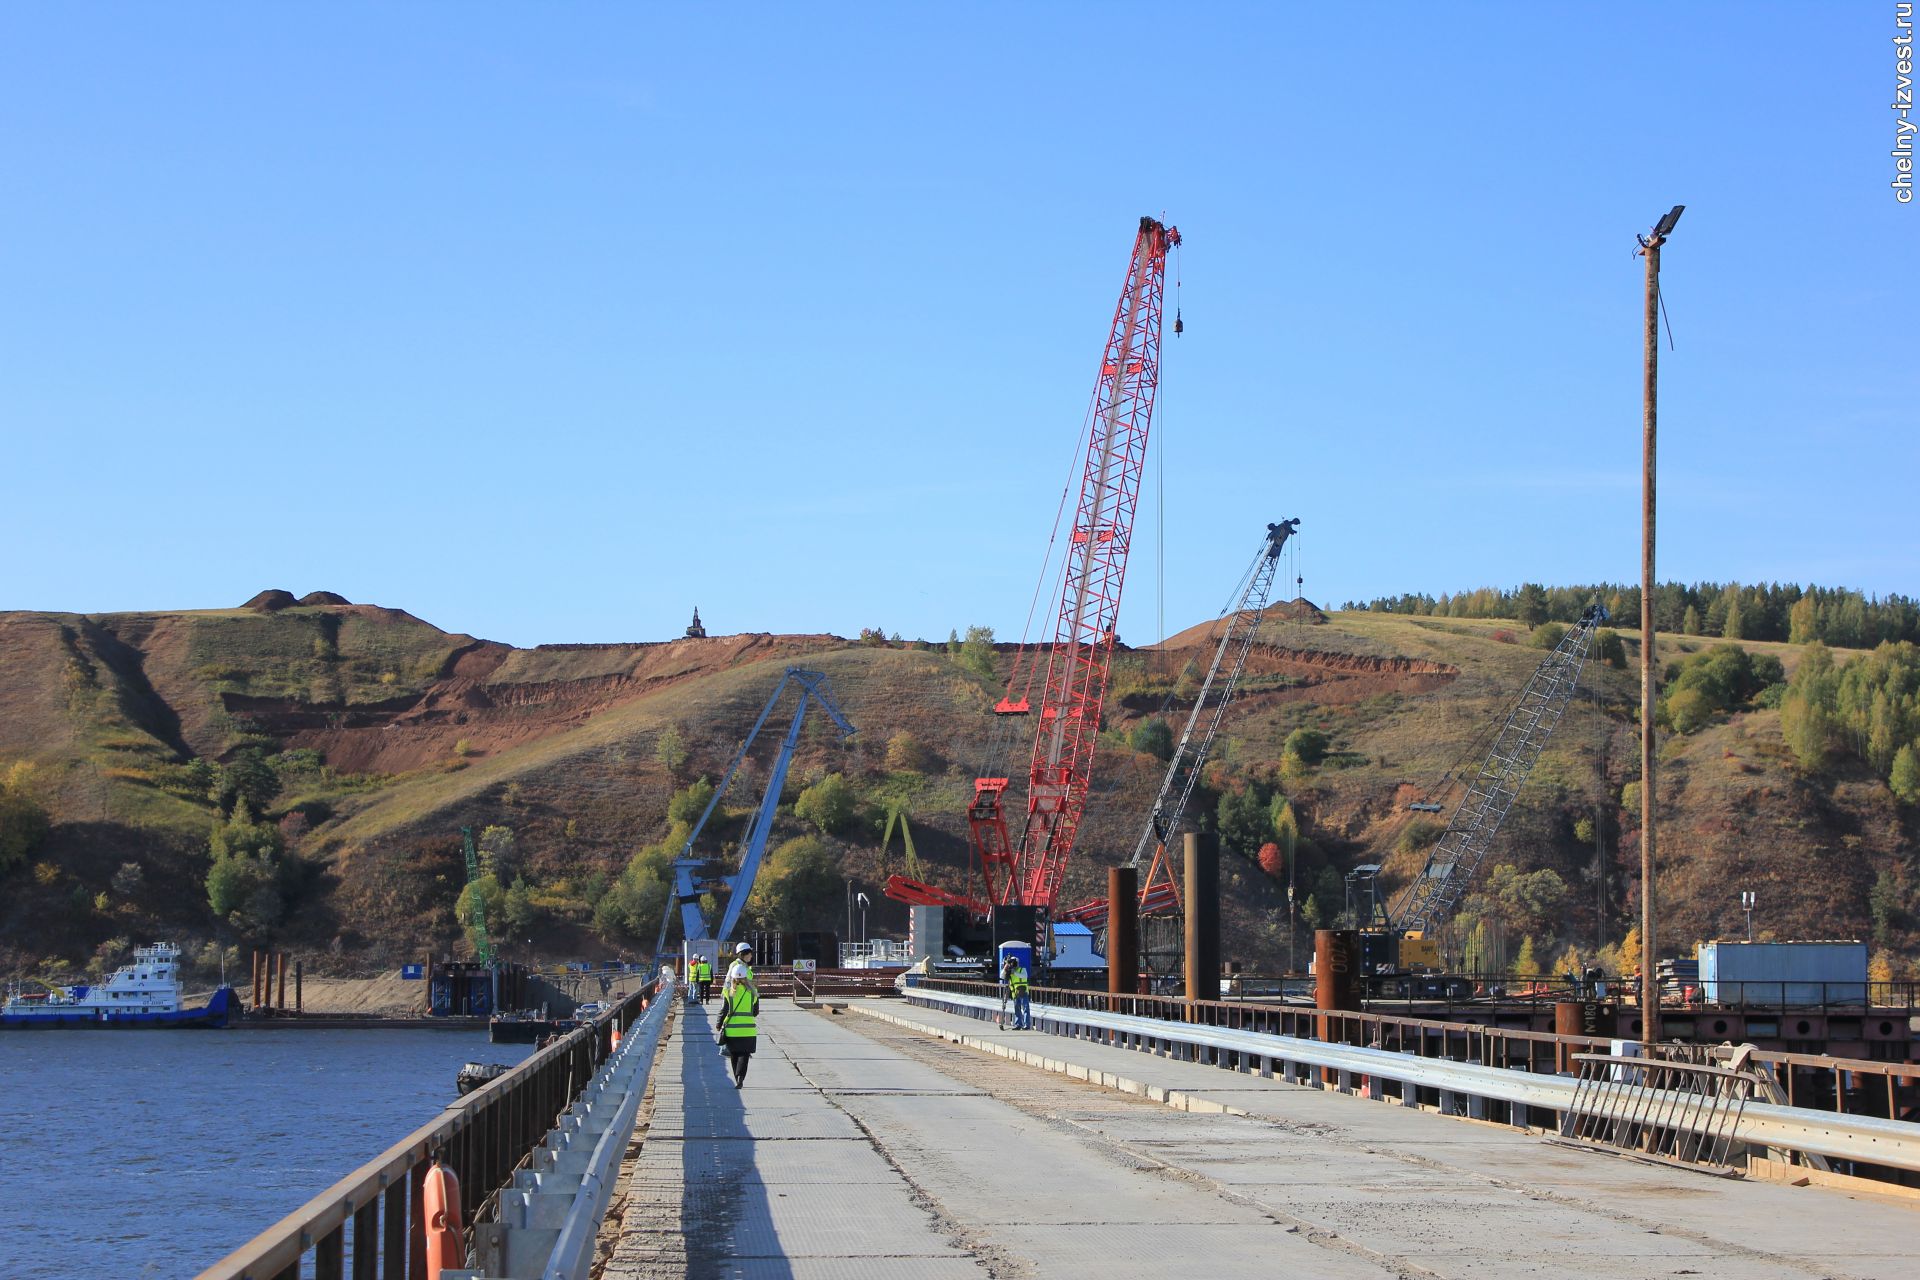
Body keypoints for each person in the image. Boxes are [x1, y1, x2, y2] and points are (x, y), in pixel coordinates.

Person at [718, 941, 758, 1088]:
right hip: (747, 1026)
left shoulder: (741, 967)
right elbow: (755, 1009)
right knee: (743, 1054)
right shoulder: (737, 966)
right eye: (750, 953)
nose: (751, 955)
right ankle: (740, 1077)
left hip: (733, 1023)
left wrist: (720, 1022)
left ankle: (737, 1077)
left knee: (735, 1053)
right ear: (744, 953)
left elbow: (726, 1003)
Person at [1003, 953, 1031, 1030]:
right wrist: (1006, 967)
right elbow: (1002, 976)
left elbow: (1024, 976)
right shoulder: (1010, 972)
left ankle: (1026, 1025)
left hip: (1023, 991)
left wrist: (1014, 972)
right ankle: (1018, 1024)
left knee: (1025, 1008)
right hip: (1015, 993)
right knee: (1017, 1009)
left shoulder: (1022, 970)